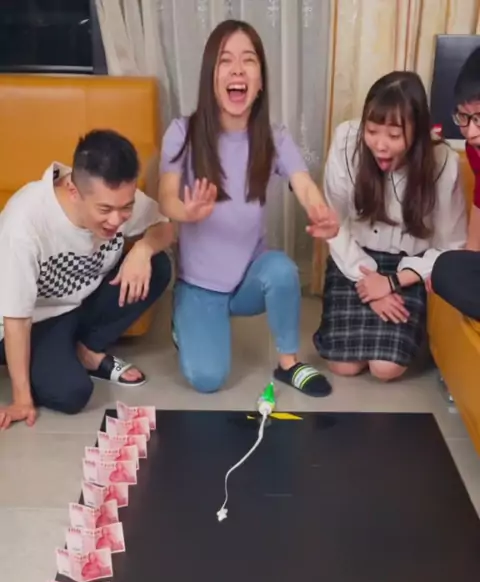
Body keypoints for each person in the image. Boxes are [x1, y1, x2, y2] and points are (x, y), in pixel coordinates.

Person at [159, 19, 339, 397]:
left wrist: (320, 211)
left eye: (249, 60)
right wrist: (187, 212)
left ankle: (288, 363)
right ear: (210, 76)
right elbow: (166, 197)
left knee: (282, 270)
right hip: (200, 285)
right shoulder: (182, 132)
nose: (238, 70)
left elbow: (303, 184)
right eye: (225, 60)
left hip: (247, 280)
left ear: (260, 82)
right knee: (207, 379)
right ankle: (185, 320)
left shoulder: (274, 138)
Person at [0, 130, 174, 429]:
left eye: (126, 207)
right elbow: (16, 318)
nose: (117, 220)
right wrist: (21, 399)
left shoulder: (115, 195)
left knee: (157, 265)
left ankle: (86, 349)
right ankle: (65, 353)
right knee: (72, 393)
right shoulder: (24, 225)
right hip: (29, 320)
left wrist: (143, 249)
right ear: (73, 190)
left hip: (77, 303)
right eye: (105, 210)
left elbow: (166, 227)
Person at [313, 71, 467, 380]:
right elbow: (335, 223)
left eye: (394, 137)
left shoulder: (442, 163)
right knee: (343, 367)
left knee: (385, 369)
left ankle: (410, 335)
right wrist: (370, 283)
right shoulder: (346, 142)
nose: (380, 146)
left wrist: (393, 282)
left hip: (409, 266)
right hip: (354, 259)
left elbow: (451, 246)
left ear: (418, 132)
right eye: (372, 131)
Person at [431, 47, 480, 318]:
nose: (471, 133)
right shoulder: (475, 150)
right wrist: (469, 259)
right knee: (446, 268)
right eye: (464, 117)